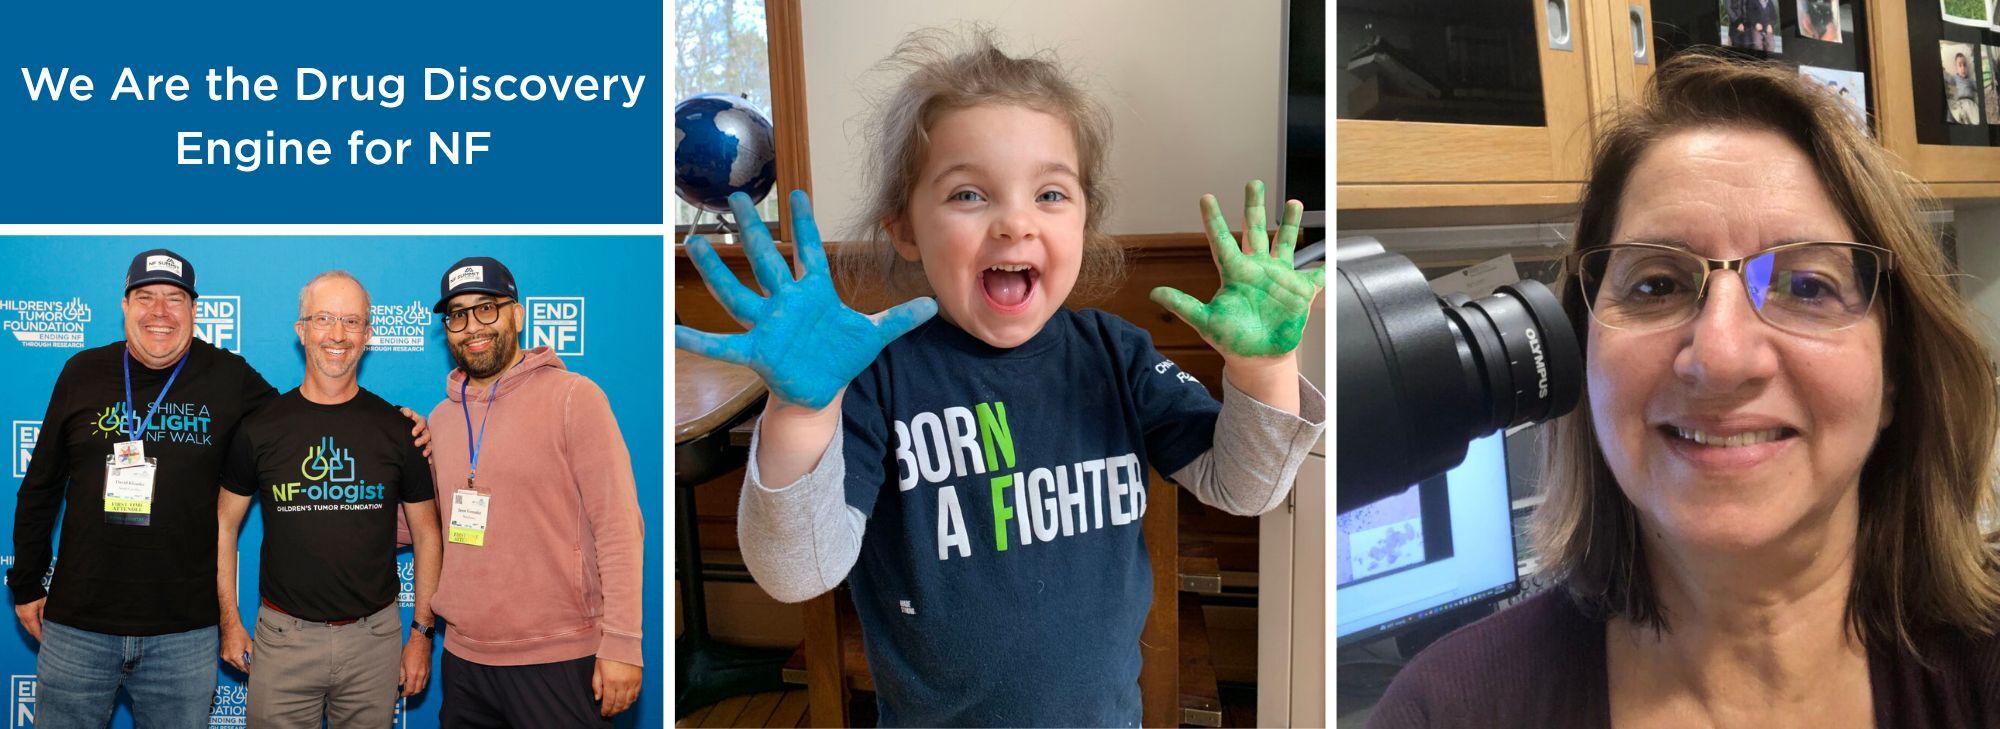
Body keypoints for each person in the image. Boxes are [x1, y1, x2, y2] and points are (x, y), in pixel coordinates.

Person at [676, 30, 1326, 726]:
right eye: (967, 194)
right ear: (905, 229)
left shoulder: (1118, 354)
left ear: (1085, 220)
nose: (1016, 221)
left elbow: (1246, 487)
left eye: (1050, 193)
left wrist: (1264, 371)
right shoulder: (877, 378)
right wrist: (800, 414)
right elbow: (796, 571)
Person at [1369, 52, 2000, 727]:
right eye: (1658, 285)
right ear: (1583, 352)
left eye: (1806, 286)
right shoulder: (1446, 709)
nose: (1721, 358)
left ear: (1895, 374)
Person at [8, 249, 429, 727]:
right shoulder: (82, 372)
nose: (160, 312)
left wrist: (403, 427)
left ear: (194, 310)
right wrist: (25, 582)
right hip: (77, 625)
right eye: (146, 297)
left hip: (182, 634)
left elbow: (306, 417)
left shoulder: (229, 378)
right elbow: (40, 485)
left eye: (175, 299)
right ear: (124, 306)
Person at [424, 256, 645, 726]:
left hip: (560, 659)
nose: (472, 327)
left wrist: (623, 642)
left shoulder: (574, 397)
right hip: (464, 661)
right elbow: (424, 526)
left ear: (517, 314)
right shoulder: (440, 420)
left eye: (487, 308)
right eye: (457, 315)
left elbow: (619, 527)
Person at [216, 271, 442, 728]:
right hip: (282, 640)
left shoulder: (400, 431)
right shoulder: (259, 428)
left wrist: (421, 633)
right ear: (301, 331)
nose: (337, 334)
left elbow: (428, 533)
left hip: (374, 642)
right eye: (323, 319)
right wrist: (228, 621)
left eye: (351, 321)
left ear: (368, 334)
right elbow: (222, 524)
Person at [1947, 52, 1981, 125]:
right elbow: (1948, 78)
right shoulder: (1955, 78)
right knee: (1951, 114)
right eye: (1960, 65)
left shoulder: (1970, 80)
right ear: (1956, 69)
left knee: (1977, 119)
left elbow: (1979, 88)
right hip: (1960, 103)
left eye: (1965, 65)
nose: (1963, 68)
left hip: (1970, 102)